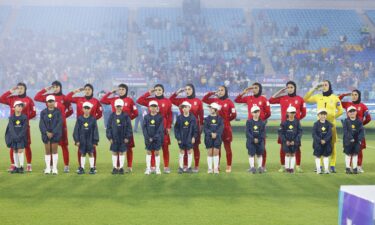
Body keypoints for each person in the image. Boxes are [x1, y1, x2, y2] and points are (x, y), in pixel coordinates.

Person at [304, 80, 343, 173]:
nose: (324, 86)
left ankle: (332, 165)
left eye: (326, 85)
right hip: (320, 125)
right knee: (319, 145)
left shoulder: (335, 98)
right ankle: (320, 166)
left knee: (332, 146)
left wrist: (333, 118)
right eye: (322, 85)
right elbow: (305, 99)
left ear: (330, 86)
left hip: (331, 126)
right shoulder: (318, 97)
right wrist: (314, 89)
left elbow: (340, 111)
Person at [35, 81, 73, 173]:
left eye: (57, 86)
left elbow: (71, 111)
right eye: (54, 87)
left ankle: (66, 166)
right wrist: (46, 89)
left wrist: (63, 117)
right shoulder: (48, 97)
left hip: (62, 126)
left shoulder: (64, 98)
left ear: (60, 87)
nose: (55, 88)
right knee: (50, 146)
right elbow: (36, 97)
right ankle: (50, 166)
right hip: (50, 126)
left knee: (64, 145)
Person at [269, 81, 306, 173]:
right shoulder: (282, 98)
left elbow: (304, 113)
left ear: (295, 88)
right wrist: (279, 92)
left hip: (295, 127)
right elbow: (270, 100)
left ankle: (297, 166)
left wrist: (295, 121)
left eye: (291, 87)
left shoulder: (300, 99)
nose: (289, 89)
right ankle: (283, 166)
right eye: (288, 87)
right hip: (284, 126)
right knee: (283, 147)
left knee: (296, 146)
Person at [101, 84, 138, 173]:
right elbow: (102, 100)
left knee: (128, 147)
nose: (121, 91)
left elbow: (136, 113)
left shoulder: (130, 100)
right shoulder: (114, 99)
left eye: (123, 89)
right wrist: (111, 92)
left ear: (126, 91)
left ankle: (129, 166)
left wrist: (127, 121)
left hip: (126, 130)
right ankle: (117, 167)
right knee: (116, 148)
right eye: (119, 89)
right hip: (115, 129)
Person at [0, 83, 36, 172]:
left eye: (21, 88)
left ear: (25, 89)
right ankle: (13, 165)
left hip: (24, 126)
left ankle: (29, 165)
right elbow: (1, 99)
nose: (19, 90)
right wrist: (10, 91)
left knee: (27, 145)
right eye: (18, 88)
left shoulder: (29, 100)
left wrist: (26, 118)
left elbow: (34, 113)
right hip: (13, 126)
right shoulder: (12, 98)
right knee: (13, 145)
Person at [67, 84, 102, 172]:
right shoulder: (79, 99)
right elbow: (67, 98)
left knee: (92, 148)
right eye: (85, 89)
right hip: (80, 126)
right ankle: (81, 167)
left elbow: (100, 113)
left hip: (91, 127)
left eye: (89, 89)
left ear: (92, 91)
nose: (87, 91)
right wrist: (76, 91)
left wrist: (92, 121)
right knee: (80, 147)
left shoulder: (96, 101)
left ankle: (93, 166)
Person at [137, 84, 172, 173]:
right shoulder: (151, 100)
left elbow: (170, 115)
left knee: (165, 147)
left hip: (163, 126)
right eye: (156, 90)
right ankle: (152, 166)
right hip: (151, 127)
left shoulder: (167, 101)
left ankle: (166, 166)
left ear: (163, 91)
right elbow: (139, 100)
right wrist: (149, 92)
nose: (158, 91)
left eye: (160, 90)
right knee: (152, 146)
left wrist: (168, 126)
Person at [235, 82, 270, 170]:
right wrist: (244, 92)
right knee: (251, 146)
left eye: (256, 88)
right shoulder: (248, 98)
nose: (254, 89)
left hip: (260, 125)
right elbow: (237, 100)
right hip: (250, 125)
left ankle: (262, 166)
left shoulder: (264, 99)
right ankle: (252, 167)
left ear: (260, 89)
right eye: (253, 88)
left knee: (262, 146)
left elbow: (268, 113)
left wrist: (261, 121)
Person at [170, 84, 204, 172]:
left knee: (195, 147)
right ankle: (185, 166)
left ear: (193, 90)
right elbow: (170, 99)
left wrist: (201, 126)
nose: (187, 91)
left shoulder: (198, 101)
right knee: (184, 147)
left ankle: (196, 166)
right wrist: (177, 92)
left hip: (194, 129)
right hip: (183, 129)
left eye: (189, 89)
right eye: (186, 89)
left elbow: (201, 115)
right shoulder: (182, 100)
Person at [202, 85, 236, 173]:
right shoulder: (215, 101)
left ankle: (229, 166)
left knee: (227, 147)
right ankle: (217, 166)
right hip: (216, 129)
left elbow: (234, 115)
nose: (220, 91)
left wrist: (226, 121)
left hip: (226, 129)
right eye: (219, 90)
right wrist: (213, 93)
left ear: (226, 91)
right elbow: (204, 99)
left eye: (222, 90)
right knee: (218, 147)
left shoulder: (229, 102)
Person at [338, 90, 371, 172]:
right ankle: (349, 167)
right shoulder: (347, 104)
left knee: (359, 150)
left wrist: (361, 125)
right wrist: (345, 94)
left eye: (356, 95)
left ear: (359, 95)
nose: (354, 96)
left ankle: (359, 166)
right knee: (349, 149)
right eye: (352, 95)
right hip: (349, 131)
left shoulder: (363, 106)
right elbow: (337, 100)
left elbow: (368, 118)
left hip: (358, 132)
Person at [106, 99, 133, 175]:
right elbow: (108, 128)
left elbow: (129, 128)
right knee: (114, 152)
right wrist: (110, 137)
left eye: (120, 106)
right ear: (115, 106)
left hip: (123, 138)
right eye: (117, 106)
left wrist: (127, 137)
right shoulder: (112, 116)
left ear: (122, 106)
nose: (118, 107)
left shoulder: (126, 116)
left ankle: (121, 168)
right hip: (114, 138)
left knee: (121, 153)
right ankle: (114, 168)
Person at [73, 102, 100, 175]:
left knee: (91, 153)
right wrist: (77, 140)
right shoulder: (80, 119)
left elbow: (95, 131)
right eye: (85, 108)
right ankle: (82, 168)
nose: (86, 110)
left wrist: (95, 141)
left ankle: (92, 168)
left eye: (88, 108)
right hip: (82, 140)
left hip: (90, 140)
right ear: (82, 109)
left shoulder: (93, 119)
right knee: (82, 153)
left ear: (90, 109)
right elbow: (76, 130)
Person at [39, 95, 63, 175]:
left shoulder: (58, 112)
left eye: (52, 101)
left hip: (55, 134)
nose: (51, 103)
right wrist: (46, 132)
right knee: (47, 151)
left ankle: (55, 169)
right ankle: (48, 168)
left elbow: (60, 123)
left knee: (55, 151)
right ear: (46, 103)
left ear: (54, 102)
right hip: (46, 134)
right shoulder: (43, 112)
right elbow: (41, 124)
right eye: (49, 101)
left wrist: (53, 132)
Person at [174, 101, 198, 174]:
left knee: (190, 151)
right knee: (181, 151)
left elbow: (195, 129)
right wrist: (178, 138)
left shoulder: (193, 118)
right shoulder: (179, 117)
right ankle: (181, 167)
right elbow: (176, 129)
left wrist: (194, 137)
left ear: (189, 108)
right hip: (181, 138)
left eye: (185, 107)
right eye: (183, 107)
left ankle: (189, 167)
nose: (184, 108)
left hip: (189, 137)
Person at [5, 101, 28, 174]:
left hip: (21, 137)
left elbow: (24, 128)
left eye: (21, 106)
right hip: (13, 137)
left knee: (20, 151)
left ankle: (21, 167)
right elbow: (11, 128)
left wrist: (19, 136)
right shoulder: (11, 117)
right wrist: (15, 136)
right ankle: (17, 167)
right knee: (15, 151)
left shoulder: (24, 117)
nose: (20, 107)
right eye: (18, 106)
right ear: (14, 108)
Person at [278, 106, 303, 173]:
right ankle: (287, 168)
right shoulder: (284, 122)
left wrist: (295, 141)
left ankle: (291, 168)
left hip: (295, 142)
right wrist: (285, 141)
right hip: (286, 142)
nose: (292, 114)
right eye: (290, 112)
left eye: (293, 112)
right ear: (287, 113)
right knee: (287, 154)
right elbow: (281, 133)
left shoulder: (297, 122)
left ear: (295, 113)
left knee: (293, 154)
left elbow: (300, 132)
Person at [142, 101, 164, 175]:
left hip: (157, 139)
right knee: (148, 152)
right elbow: (144, 128)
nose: (153, 108)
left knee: (157, 153)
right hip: (148, 139)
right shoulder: (146, 117)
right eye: (152, 106)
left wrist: (154, 137)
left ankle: (157, 169)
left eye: (155, 106)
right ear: (149, 107)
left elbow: (160, 129)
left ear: (157, 108)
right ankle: (148, 169)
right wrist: (148, 137)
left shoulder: (160, 117)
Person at [341, 106, 365, 174]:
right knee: (348, 154)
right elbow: (346, 132)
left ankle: (355, 168)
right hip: (348, 141)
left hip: (357, 141)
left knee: (355, 154)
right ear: (348, 113)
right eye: (350, 112)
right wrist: (351, 138)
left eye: (353, 111)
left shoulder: (359, 122)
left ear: (356, 112)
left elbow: (361, 131)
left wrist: (359, 140)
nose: (352, 113)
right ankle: (348, 168)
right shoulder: (346, 121)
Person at [204, 103, 224, 174]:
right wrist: (211, 133)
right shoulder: (206, 119)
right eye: (209, 108)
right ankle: (210, 168)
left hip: (217, 137)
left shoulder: (220, 119)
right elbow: (205, 128)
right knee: (209, 152)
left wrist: (216, 134)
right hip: (208, 137)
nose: (210, 109)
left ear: (215, 109)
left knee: (216, 152)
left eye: (211, 108)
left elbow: (221, 128)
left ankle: (215, 168)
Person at [246, 106, 266, 174]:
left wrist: (259, 139)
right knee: (251, 154)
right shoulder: (249, 122)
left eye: (258, 112)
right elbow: (247, 132)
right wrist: (253, 139)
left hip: (259, 142)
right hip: (251, 142)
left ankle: (260, 167)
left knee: (259, 154)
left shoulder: (262, 122)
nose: (256, 113)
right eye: (255, 112)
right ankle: (252, 167)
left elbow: (263, 133)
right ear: (252, 113)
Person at [312, 109, 333, 174]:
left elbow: (329, 133)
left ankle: (326, 169)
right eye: (321, 114)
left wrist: (325, 140)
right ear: (318, 115)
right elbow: (314, 134)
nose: (323, 116)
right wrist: (320, 140)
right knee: (317, 156)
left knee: (326, 156)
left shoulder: (329, 124)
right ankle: (318, 169)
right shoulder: (315, 124)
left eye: (324, 114)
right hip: (318, 143)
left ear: (326, 115)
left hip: (327, 143)